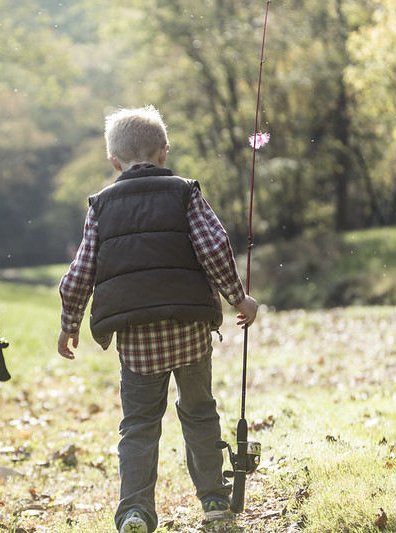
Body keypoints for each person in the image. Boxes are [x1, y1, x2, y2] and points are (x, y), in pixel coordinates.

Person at [56, 105, 258, 533]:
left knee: (139, 425)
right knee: (200, 412)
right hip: (188, 329)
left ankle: (135, 511)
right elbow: (214, 248)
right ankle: (215, 501)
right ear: (164, 153)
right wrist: (239, 298)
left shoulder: (101, 206)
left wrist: (69, 323)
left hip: (136, 339)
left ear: (114, 161)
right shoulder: (184, 192)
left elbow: (80, 273)